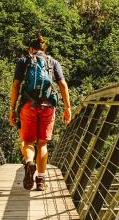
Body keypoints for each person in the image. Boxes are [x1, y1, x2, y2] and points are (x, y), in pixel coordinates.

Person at [8, 34, 71, 191]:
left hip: (28, 105)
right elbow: (62, 84)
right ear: (44, 48)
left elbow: (15, 85)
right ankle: (41, 181)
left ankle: (29, 163)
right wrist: (67, 108)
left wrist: (12, 109)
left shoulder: (24, 61)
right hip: (47, 106)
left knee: (28, 141)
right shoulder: (52, 62)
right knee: (42, 143)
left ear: (30, 49)